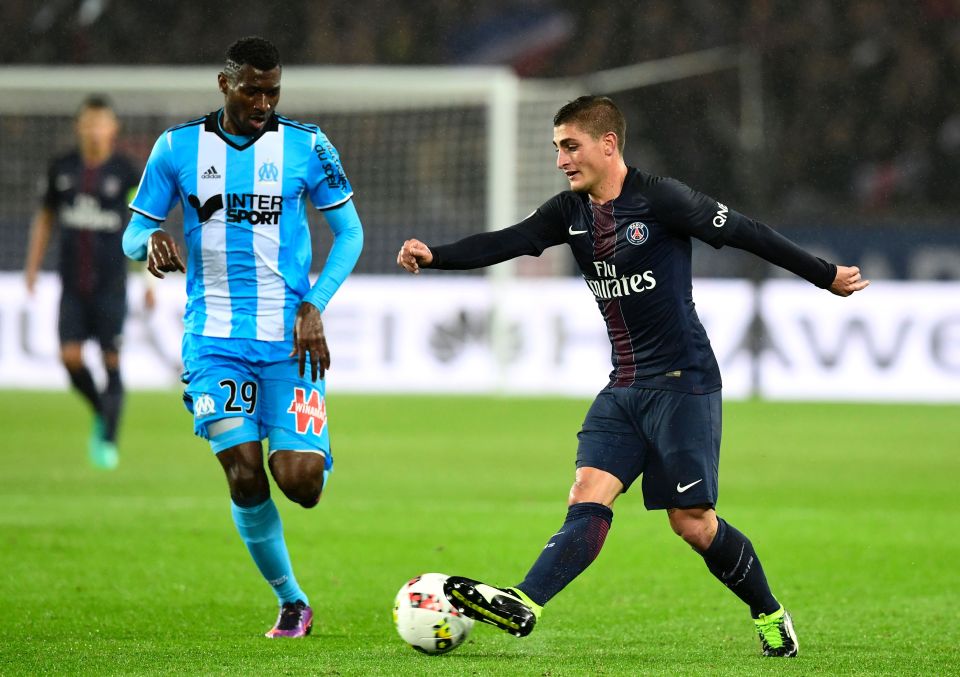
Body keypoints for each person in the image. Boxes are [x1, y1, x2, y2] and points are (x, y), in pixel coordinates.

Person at [397, 95, 869, 657]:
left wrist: (826, 276)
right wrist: (436, 255)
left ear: (608, 144)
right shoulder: (566, 213)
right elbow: (506, 242)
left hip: (683, 382)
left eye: (570, 147)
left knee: (692, 524)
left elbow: (748, 232)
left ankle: (769, 613)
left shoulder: (662, 198)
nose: (561, 161)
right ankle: (524, 601)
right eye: (557, 149)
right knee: (587, 494)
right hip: (623, 384)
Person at [122, 36, 363, 638]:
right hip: (214, 343)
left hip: (290, 343)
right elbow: (133, 233)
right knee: (244, 473)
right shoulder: (176, 147)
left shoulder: (309, 146)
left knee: (301, 484)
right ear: (225, 83)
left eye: (273, 91)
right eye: (252, 89)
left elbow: (351, 233)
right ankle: (292, 600)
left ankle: (313, 447)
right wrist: (148, 243)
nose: (263, 101)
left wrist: (314, 303)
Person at [24, 95, 143, 470]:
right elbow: (45, 218)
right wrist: (31, 266)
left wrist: (151, 279)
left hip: (111, 284)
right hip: (72, 285)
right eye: (88, 122)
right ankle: (100, 411)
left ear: (113, 128)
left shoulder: (126, 172)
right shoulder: (62, 168)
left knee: (111, 360)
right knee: (70, 358)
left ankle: (108, 439)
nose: (94, 130)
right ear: (79, 126)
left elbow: (144, 221)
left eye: (101, 123)